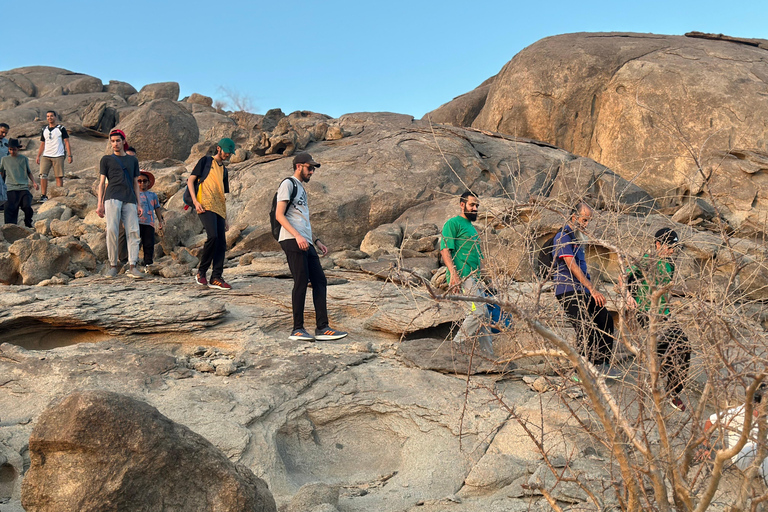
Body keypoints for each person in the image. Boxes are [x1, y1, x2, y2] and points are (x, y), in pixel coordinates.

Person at [275, 152, 348, 341]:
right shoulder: (288, 184)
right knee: (301, 281)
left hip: (305, 241)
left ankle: (322, 328)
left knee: (320, 281)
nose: (312, 172)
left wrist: (316, 241)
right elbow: (279, 215)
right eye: (310, 168)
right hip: (292, 239)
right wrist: (297, 236)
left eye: (313, 168)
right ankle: (297, 329)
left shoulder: (301, 189)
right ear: (299, 166)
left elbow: (302, 220)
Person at [624, 228, 691, 411]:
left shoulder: (670, 264)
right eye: (669, 247)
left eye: (674, 248)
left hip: (665, 314)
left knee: (684, 347)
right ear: (658, 244)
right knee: (665, 347)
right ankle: (655, 383)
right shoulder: (647, 260)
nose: (671, 251)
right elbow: (624, 277)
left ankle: (673, 391)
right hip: (647, 312)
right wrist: (628, 296)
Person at [553, 202, 618, 378]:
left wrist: (590, 290)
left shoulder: (578, 239)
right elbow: (571, 264)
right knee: (585, 326)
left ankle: (601, 365)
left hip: (583, 290)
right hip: (567, 289)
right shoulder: (563, 236)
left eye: (588, 220)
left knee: (605, 320)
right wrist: (592, 288)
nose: (586, 224)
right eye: (584, 220)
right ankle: (579, 372)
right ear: (574, 218)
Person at [439, 191, 494, 354]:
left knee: (484, 318)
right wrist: (454, 275)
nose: (475, 208)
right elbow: (444, 250)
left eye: (477, 205)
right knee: (478, 312)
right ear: (462, 205)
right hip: (463, 277)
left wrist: (488, 281)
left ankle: (488, 356)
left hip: (475, 278)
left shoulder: (472, 229)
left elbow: (477, 258)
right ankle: (454, 349)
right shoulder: (453, 223)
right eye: (472, 205)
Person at [188, 138, 234, 290]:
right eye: (226, 151)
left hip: (219, 209)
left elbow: (222, 194)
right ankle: (201, 272)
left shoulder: (224, 170)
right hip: (204, 205)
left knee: (221, 243)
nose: (228, 155)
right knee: (212, 237)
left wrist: (225, 218)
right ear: (219, 148)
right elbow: (190, 181)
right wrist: (195, 202)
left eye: (230, 153)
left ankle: (216, 277)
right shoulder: (206, 161)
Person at [96, 129, 143, 278]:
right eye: (112, 141)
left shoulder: (133, 160)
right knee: (111, 230)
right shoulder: (106, 159)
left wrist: (139, 203)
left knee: (133, 230)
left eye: (117, 140)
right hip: (112, 197)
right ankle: (113, 265)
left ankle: (132, 265)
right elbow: (102, 182)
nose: (115, 144)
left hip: (129, 198)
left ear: (123, 141)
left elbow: (136, 183)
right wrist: (100, 204)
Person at [704, 384, 768, 485]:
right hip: (743, 456)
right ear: (756, 403)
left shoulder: (765, 416)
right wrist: (704, 445)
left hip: (761, 457)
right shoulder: (740, 413)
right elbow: (710, 420)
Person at [0, 139, 39, 227]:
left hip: (23, 187)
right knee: (10, 209)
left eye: (14, 149)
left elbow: (28, 172)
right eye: (10, 149)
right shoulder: (4, 159)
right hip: (10, 187)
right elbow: (1, 172)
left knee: (27, 206)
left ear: (18, 149)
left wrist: (34, 182)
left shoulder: (23, 159)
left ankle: (28, 222)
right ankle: (10, 228)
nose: (12, 151)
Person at [36, 111, 72, 202]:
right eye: (48, 116)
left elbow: (66, 141)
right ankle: (43, 195)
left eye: (51, 116)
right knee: (43, 175)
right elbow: (42, 143)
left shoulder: (61, 128)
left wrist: (69, 155)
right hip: (46, 155)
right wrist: (38, 155)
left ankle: (59, 196)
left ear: (55, 117)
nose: (49, 118)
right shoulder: (44, 129)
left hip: (58, 155)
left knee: (58, 176)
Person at [137, 170, 163, 271]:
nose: (142, 183)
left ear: (148, 182)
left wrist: (160, 220)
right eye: (139, 181)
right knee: (135, 243)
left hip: (149, 222)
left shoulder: (153, 195)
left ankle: (148, 263)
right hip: (137, 222)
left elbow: (157, 207)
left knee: (149, 243)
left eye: (144, 181)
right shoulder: (134, 194)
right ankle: (133, 262)